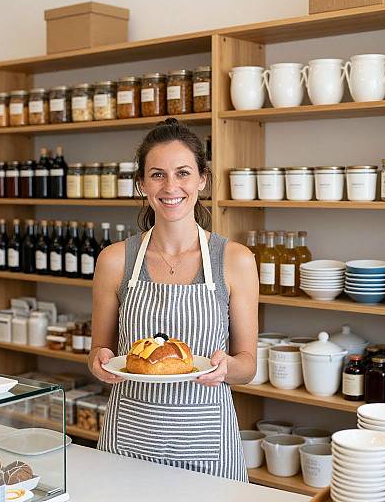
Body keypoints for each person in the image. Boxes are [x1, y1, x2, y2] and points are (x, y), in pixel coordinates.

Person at [89, 118, 259, 482]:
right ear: (141, 184)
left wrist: (228, 366)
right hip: (128, 441)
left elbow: (248, 364)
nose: (171, 187)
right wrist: (99, 362)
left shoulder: (235, 260)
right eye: (157, 175)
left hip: (208, 446)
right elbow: (99, 352)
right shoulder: (115, 260)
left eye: (183, 173)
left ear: (202, 179)